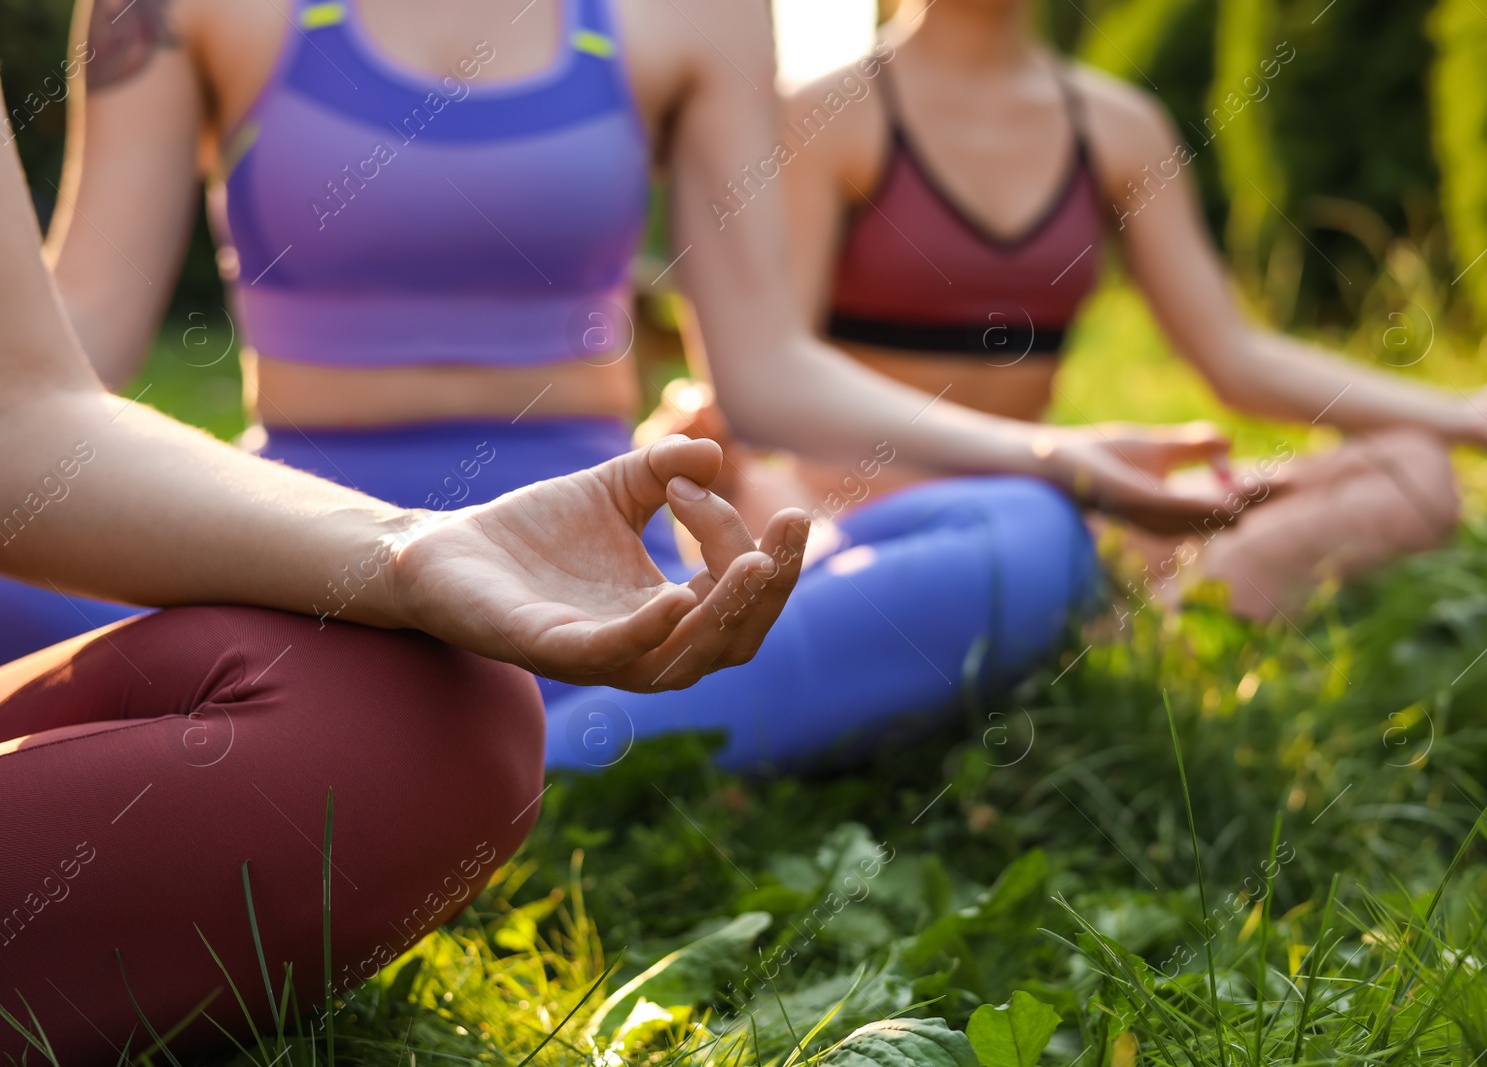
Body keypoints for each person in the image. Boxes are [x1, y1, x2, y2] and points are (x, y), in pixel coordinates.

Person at [33, 0, 1246, 772]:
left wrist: (1058, 458)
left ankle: (466, 759)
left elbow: (764, 369)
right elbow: (67, 352)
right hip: (288, 564)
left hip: (601, 581)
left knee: (1019, 534)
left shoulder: (696, 14)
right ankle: (485, 754)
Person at [0, 92, 805, 1061]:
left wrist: (406, 551)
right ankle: (601, 739)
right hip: (228, 548)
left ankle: (576, 720)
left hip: (413, 560)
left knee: (430, 718)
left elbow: (22, 414)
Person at [651, 0, 1487, 621]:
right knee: (811, 530)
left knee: (1414, 474)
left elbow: (1236, 355)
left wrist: (1474, 418)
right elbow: (770, 363)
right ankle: (1100, 618)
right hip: (860, 515)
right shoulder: (824, 116)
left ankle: (1149, 626)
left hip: (1058, 492)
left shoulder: (1117, 125)